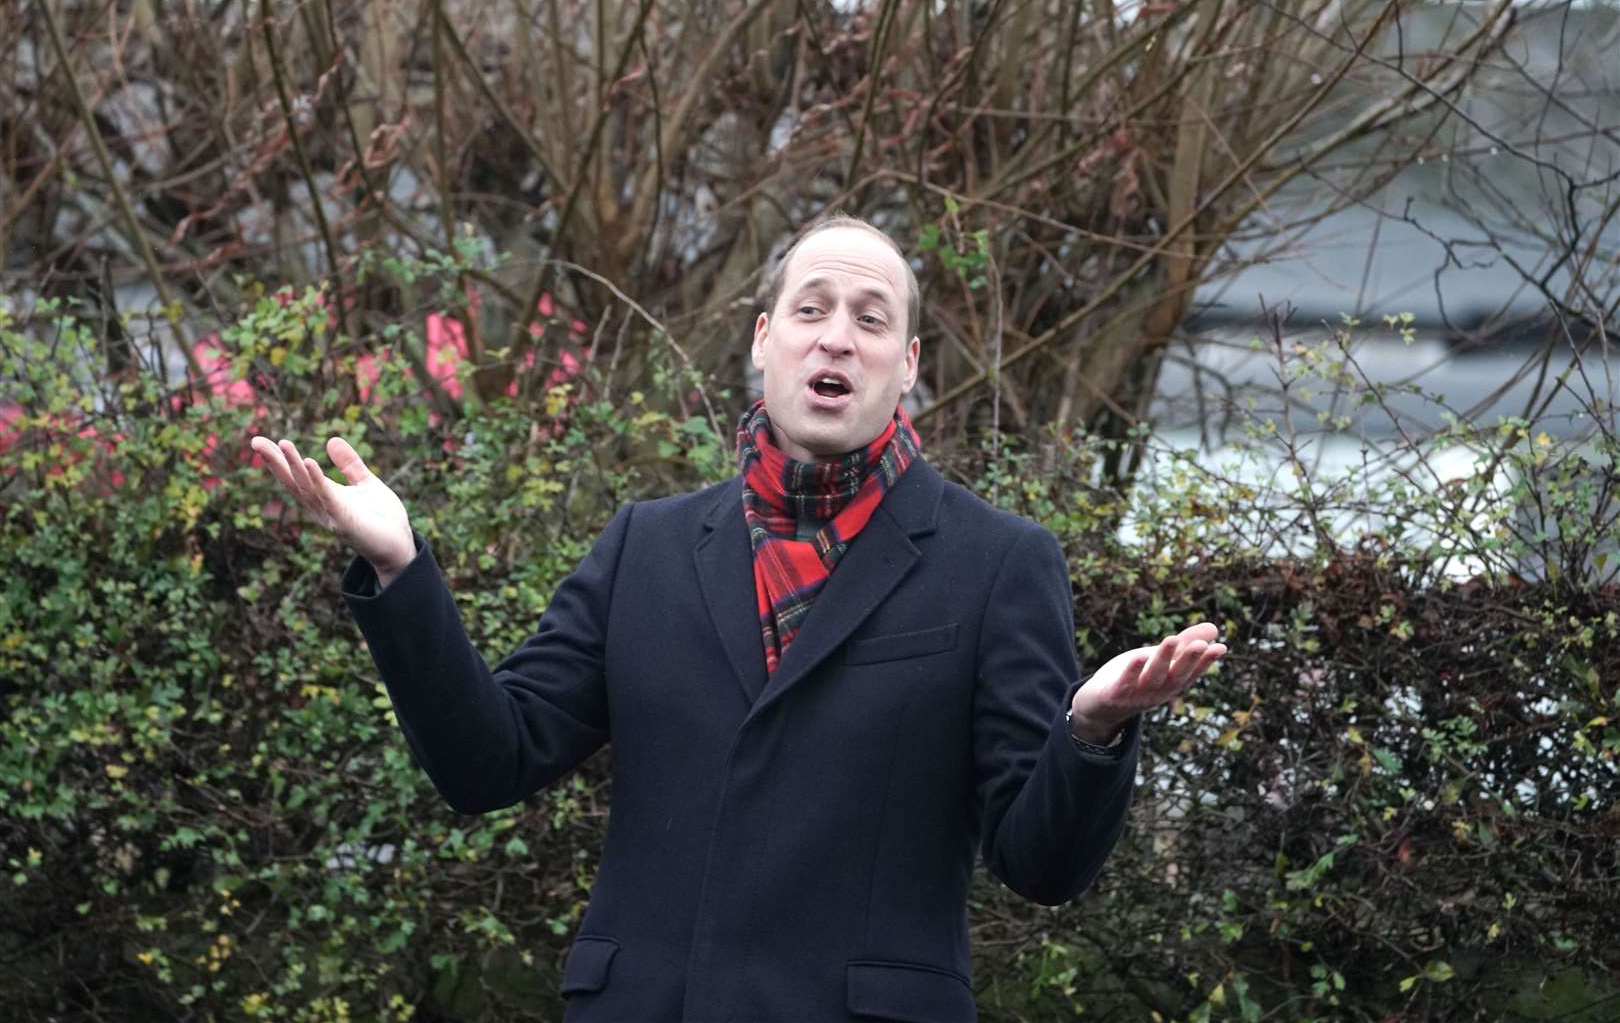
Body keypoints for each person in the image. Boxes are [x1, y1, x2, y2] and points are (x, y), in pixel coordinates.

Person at [249, 214, 1225, 1022]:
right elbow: (486, 758)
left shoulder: (997, 564)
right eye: (811, 309)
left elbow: (1039, 862)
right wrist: (401, 566)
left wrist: (1091, 730)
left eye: (871, 318)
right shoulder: (649, 548)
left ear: (908, 363)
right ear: (765, 340)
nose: (837, 335)